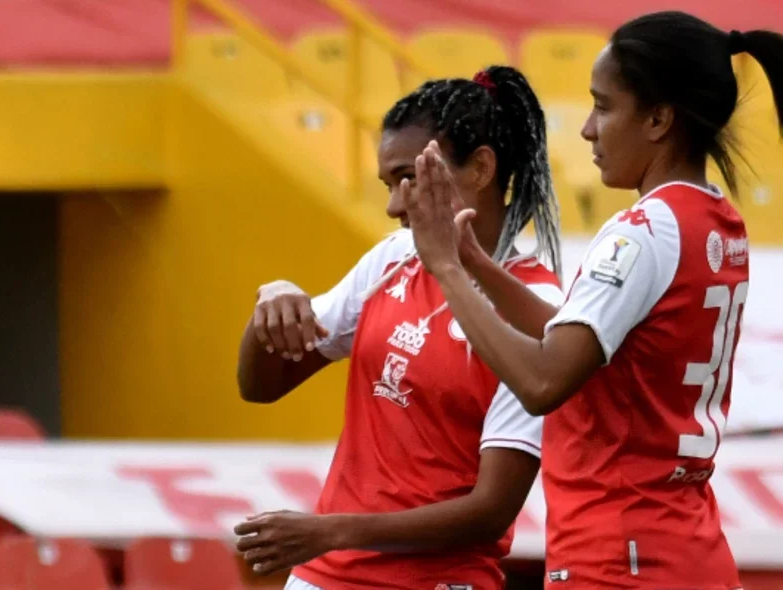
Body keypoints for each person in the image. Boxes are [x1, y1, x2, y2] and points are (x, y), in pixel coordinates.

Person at [403, 11, 783, 589]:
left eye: (603, 107)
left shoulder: (642, 230)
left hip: (621, 559)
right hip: (687, 550)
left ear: (658, 118)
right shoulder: (716, 221)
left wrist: (447, 271)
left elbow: (543, 382)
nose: (587, 129)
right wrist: (479, 266)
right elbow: (578, 343)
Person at [231, 66, 563, 590]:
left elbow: (491, 510)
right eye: (388, 184)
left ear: (480, 168)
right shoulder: (393, 259)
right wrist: (269, 306)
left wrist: (331, 532)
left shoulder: (537, 306)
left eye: (409, 177)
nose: (393, 206)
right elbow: (261, 386)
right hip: (323, 579)